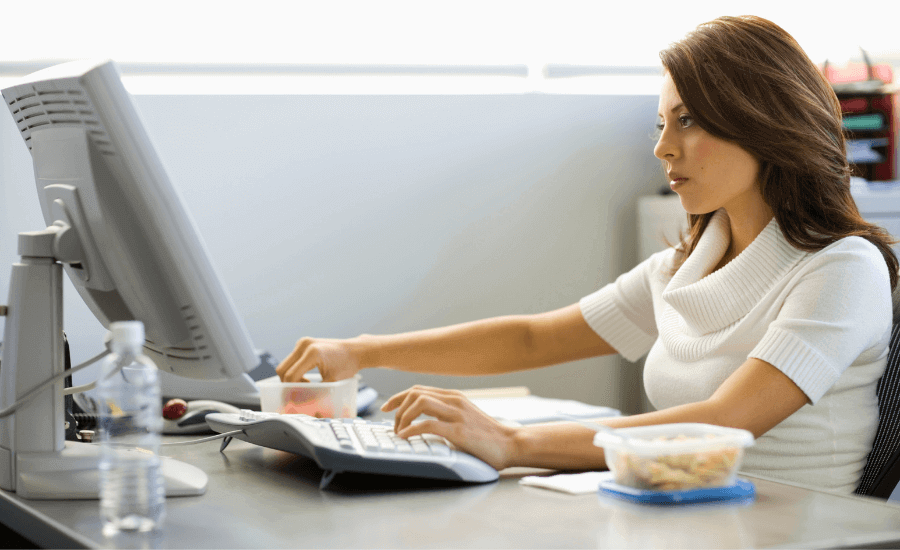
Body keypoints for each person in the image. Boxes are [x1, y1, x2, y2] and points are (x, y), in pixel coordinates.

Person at [276, 15, 899, 493]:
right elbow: (531, 340)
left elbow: (725, 422)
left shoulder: (841, 269)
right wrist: (360, 351)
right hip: (686, 518)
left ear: (762, 119)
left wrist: (514, 443)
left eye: (687, 121)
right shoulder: (689, 264)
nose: (662, 148)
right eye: (661, 123)